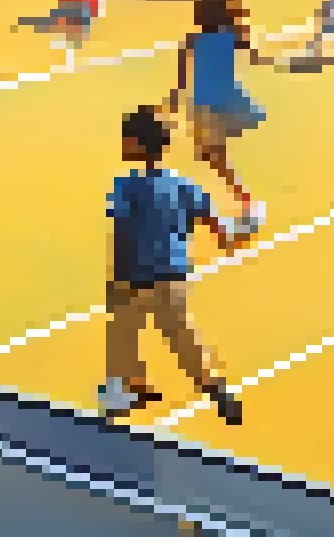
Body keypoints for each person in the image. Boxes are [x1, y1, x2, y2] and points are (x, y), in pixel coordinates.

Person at [99, 106, 244, 426]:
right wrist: (226, 238)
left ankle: (120, 397)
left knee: (121, 334)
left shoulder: (125, 185)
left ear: (137, 145)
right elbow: (213, 221)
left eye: (126, 138)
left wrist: (115, 276)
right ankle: (218, 392)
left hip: (136, 276)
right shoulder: (182, 184)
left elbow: (121, 231)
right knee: (182, 337)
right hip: (175, 276)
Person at [164, 0, 269, 239]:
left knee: (213, 156)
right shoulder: (232, 36)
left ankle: (243, 203)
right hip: (226, 103)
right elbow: (255, 54)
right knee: (213, 155)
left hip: (203, 107)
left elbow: (181, 80)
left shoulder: (192, 40)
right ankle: (242, 202)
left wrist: (174, 104)